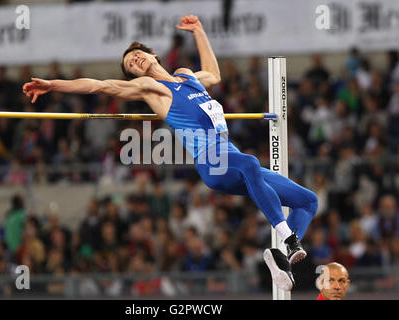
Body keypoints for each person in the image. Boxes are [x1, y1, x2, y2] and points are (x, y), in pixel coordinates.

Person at [23, 15, 318, 291]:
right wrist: (53, 84)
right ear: (134, 74)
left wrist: (199, 31)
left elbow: (213, 74)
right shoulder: (152, 87)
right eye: (130, 64)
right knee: (251, 162)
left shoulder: (186, 76)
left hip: (234, 161)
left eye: (138, 54)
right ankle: (289, 239)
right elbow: (100, 86)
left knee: (307, 201)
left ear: (154, 55)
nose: (135, 61)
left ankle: (280, 257)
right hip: (212, 163)